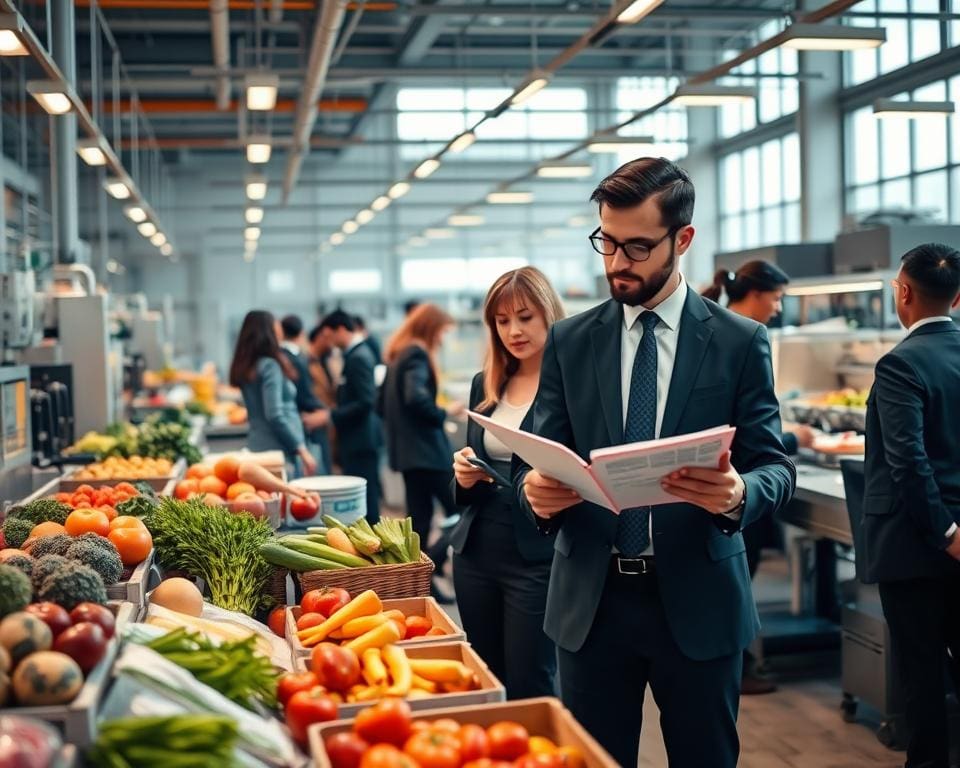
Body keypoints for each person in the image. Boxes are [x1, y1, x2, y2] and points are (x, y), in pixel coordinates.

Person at [516, 157, 796, 768]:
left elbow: (775, 466)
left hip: (699, 600)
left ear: (683, 239)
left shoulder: (738, 341)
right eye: (607, 242)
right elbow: (536, 456)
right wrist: (533, 493)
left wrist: (740, 493)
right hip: (591, 604)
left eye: (638, 247)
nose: (617, 263)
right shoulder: (569, 340)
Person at [862, 243, 960, 768]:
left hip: (915, 549)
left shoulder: (900, 363)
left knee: (921, 680)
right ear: (957, 298)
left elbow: (909, 463)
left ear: (903, 293)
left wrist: (947, 534)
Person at [701, 260, 817, 694]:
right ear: (755, 294)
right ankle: (741, 663)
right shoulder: (738, 338)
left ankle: (741, 661)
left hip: (740, 487)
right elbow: (743, 436)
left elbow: (756, 429)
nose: (779, 307)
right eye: (777, 297)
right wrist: (794, 437)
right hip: (730, 488)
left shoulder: (731, 335)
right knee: (733, 579)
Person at [451, 267, 564, 699]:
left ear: (549, 314)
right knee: (484, 677)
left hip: (537, 554)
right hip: (477, 549)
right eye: (502, 321)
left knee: (531, 682)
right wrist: (464, 474)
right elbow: (469, 481)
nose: (513, 331)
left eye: (525, 317)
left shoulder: (570, 386)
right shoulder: (486, 383)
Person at [381, 304, 463, 602]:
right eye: (443, 331)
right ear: (431, 327)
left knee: (420, 521)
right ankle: (432, 567)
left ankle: (419, 581)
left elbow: (381, 405)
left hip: (409, 455)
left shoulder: (397, 355)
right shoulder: (416, 354)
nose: (442, 338)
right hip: (428, 454)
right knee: (465, 512)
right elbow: (415, 398)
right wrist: (444, 412)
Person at [228, 310, 317, 477]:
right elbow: (275, 414)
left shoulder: (249, 366)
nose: (280, 329)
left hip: (258, 445)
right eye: (276, 325)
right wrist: (302, 449)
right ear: (268, 331)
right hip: (279, 451)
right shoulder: (270, 366)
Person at [320, 310, 383, 523]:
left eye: (329, 336)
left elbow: (366, 401)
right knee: (364, 496)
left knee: (365, 499)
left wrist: (331, 415)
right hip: (357, 438)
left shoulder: (359, 356)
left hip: (361, 439)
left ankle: (372, 539)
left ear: (340, 329)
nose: (328, 342)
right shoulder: (354, 354)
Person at [280, 314, 331, 475]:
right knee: (315, 469)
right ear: (301, 333)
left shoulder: (278, 356)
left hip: (291, 421)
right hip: (306, 419)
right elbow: (305, 394)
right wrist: (325, 412)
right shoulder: (298, 359)